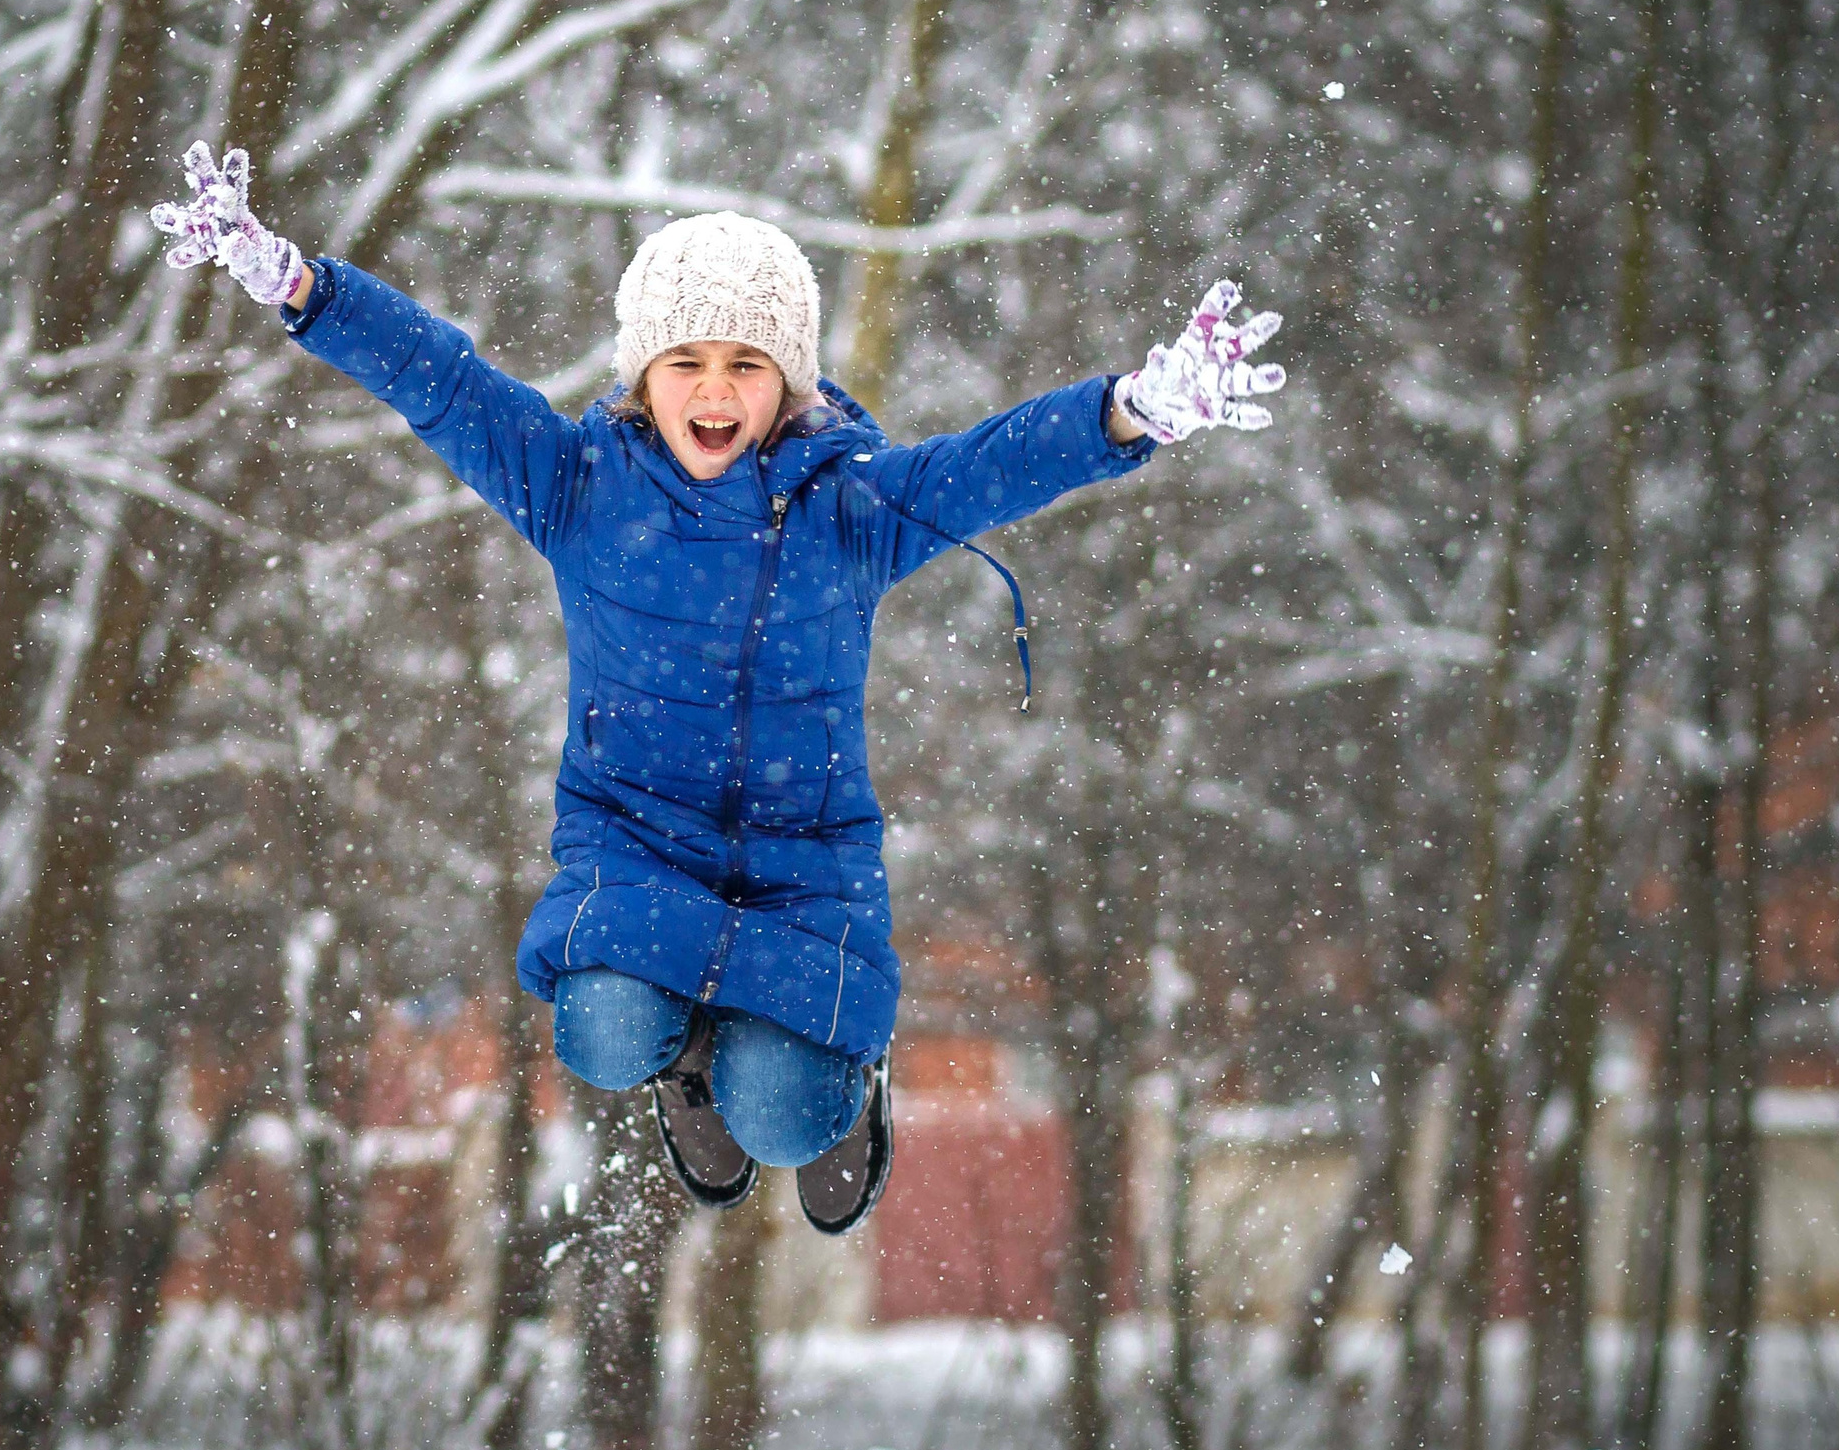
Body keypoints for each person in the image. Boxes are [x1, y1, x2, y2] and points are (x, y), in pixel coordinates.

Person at [150, 141, 1287, 1234]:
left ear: (786, 386)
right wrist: (300, 284)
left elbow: (992, 463)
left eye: (747, 364)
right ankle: (687, 1063)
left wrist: (1134, 406)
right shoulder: (574, 485)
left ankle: (834, 1086)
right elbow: (443, 382)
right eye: (686, 360)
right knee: (598, 1034)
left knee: (785, 1122)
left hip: (804, 862)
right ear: (644, 373)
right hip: (635, 843)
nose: (714, 388)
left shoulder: (852, 511)